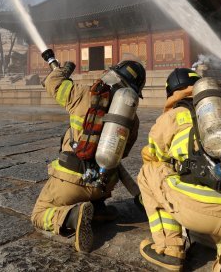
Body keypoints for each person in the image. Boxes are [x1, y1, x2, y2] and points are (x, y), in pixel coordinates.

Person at [137, 67, 221, 272]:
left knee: (150, 172)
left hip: (199, 211)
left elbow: (152, 156)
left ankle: (169, 250)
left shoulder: (172, 116)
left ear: (171, 92)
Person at [31, 49, 146, 253]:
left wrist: (63, 69)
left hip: (71, 181)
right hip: (103, 183)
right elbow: (122, 154)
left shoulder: (82, 94)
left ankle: (72, 216)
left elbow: (51, 82)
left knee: (39, 214)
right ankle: (98, 208)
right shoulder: (133, 120)